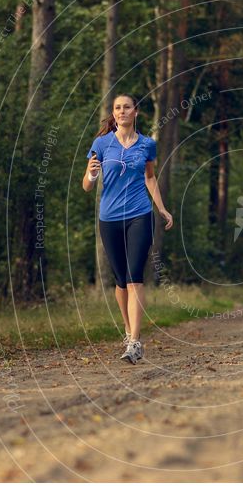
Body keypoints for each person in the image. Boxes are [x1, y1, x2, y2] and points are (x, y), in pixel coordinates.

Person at [83, 94, 174, 364]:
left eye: (127, 107)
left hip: (139, 215)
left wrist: (161, 208)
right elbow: (87, 186)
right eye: (117, 108)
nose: (122, 111)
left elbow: (149, 177)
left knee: (135, 277)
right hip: (109, 218)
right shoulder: (101, 144)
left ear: (136, 112)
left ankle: (135, 342)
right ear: (114, 114)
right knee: (120, 281)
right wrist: (91, 174)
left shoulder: (147, 145)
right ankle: (127, 330)